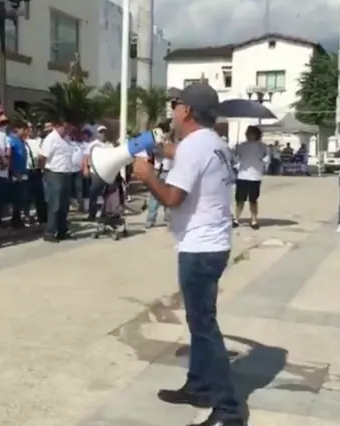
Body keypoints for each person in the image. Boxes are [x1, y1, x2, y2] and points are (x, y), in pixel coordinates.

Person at [131, 82, 244, 426]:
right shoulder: (215, 143)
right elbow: (190, 162)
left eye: (176, 105)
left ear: (188, 111)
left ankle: (229, 410)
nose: (173, 110)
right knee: (199, 323)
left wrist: (147, 175)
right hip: (214, 244)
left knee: (205, 327)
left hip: (199, 248)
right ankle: (198, 386)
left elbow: (172, 199)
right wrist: (164, 151)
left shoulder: (194, 147)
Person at [38, 120, 74, 242]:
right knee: (55, 204)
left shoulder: (67, 138)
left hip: (66, 173)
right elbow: (42, 157)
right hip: (54, 173)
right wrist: (43, 171)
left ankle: (62, 231)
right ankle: (50, 232)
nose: (66, 130)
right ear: (57, 126)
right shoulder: (51, 139)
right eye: (64, 127)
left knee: (64, 204)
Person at [232, 125, 268, 229]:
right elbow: (234, 156)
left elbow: (266, 158)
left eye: (250, 133)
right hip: (242, 175)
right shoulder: (242, 146)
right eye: (247, 133)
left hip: (255, 176)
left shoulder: (262, 146)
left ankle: (254, 220)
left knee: (253, 200)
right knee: (239, 199)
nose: (247, 134)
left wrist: (262, 165)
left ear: (255, 134)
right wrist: (236, 165)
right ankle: (236, 219)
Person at [8, 117, 30, 228]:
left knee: (21, 198)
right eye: (23, 129)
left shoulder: (21, 141)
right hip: (15, 173)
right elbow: (10, 156)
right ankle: (15, 220)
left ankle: (18, 219)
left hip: (23, 172)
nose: (25, 132)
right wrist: (14, 171)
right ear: (16, 129)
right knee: (16, 197)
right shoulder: (11, 140)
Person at [25, 122, 47, 224]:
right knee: (27, 196)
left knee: (40, 195)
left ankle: (42, 218)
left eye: (33, 128)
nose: (31, 130)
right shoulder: (24, 141)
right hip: (27, 170)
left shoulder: (41, 141)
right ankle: (27, 217)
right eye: (29, 128)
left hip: (38, 171)